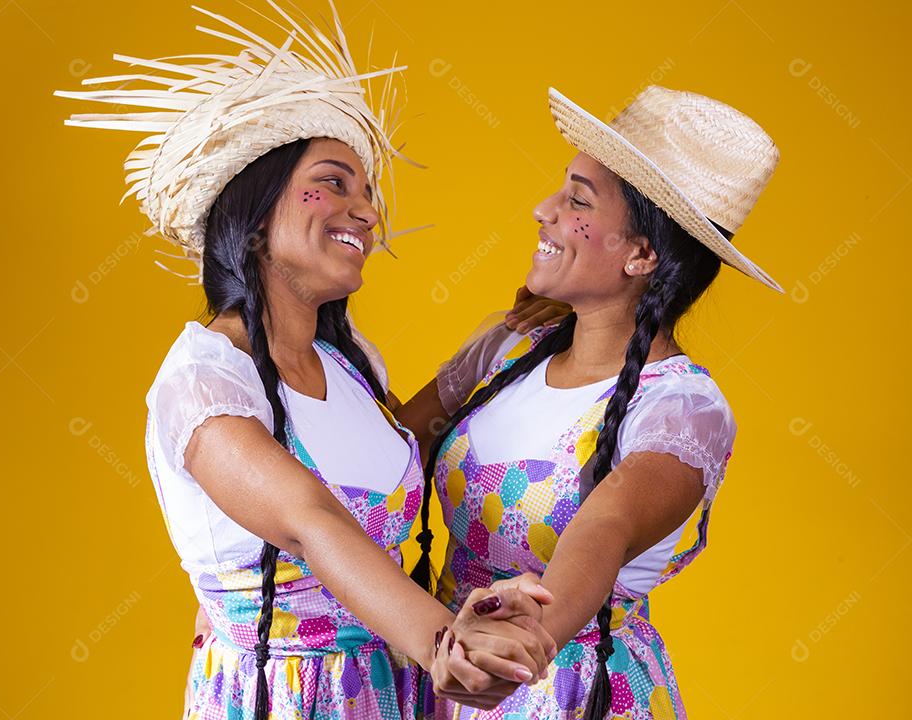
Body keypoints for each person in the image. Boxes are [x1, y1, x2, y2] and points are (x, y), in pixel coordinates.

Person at [54, 3, 563, 718]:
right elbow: (309, 519)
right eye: (335, 182)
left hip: (391, 694)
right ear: (256, 211)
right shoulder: (205, 378)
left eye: (367, 193)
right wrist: (445, 641)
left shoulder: (355, 368)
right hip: (287, 699)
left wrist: (507, 338)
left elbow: (413, 441)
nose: (365, 212)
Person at [418, 84, 783, 719]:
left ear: (642, 255)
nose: (543, 209)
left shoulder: (682, 410)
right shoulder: (510, 347)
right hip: (451, 677)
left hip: (564, 693)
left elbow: (604, 527)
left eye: (577, 200)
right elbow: (383, 446)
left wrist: (524, 641)